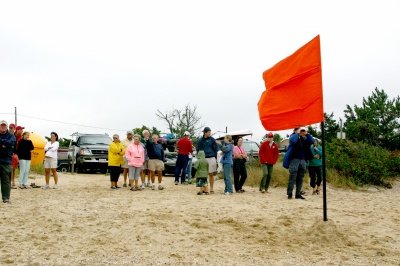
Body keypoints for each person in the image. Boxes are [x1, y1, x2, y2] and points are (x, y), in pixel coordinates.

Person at [284, 128, 314, 199]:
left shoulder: (304, 138)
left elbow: (311, 141)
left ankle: (298, 194)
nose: (301, 132)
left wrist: (306, 133)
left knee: (300, 177)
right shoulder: (293, 137)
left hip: (303, 160)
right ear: (295, 131)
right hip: (294, 160)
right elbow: (293, 140)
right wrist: (297, 133)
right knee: (293, 177)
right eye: (300, 130)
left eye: (302, 130)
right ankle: (290, 193)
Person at [196, 127, 218, 194]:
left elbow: (216, 149)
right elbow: (198, 150)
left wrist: (215, 157)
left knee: (211, 174)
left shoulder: (212, 140)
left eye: (210, 132)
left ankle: (211, 189)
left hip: (211, 158)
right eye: (208, 132)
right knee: (203, 174)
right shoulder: (200, 140)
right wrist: (199, 158)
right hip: (203, 159)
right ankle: (203, 189)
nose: (209, 133)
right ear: (205, 132)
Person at [0, 120, 16, 203]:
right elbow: (7, 145)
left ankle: (6, 198)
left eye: (4, 125)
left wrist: (3, 143)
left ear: (6, 127)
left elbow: (10, 144)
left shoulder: (11, 136)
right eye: (1, 125)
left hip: (6, 161)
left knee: (6, 181)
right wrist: (4, 145)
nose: (3, 127)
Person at [10, 124, 22, 189]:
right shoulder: (12, 136)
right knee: (11, 168)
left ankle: (13, 181)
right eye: (21, 129)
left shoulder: (20, 137)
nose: (22, 131)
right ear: (17, 130)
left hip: (17, 155)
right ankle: (11, 181)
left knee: (14, 168)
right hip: (12, 154)